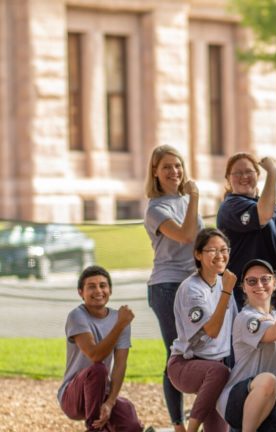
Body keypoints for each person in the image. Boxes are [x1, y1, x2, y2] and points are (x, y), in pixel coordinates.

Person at [143, 144, 203, 431]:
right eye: (166, 166)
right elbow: (186, 235)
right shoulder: (156, 208)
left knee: (204, 350)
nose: (174, 171)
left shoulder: (185, 200)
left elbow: (200, 242)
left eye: (178, 165)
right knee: (176, 352)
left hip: (194, 284)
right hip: (167, 285)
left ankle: (202, 417)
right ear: (155, 172)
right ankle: (178, 424)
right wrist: (193, 197)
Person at [217, 259, 276, 432]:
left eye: (265, 279)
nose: (259, 284)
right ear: (244, 287)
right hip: (238, 399)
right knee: (267, 380)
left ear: (274, 284)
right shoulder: (246, 318)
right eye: (252, 281)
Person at [167, 228, 238, 432]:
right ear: (198, 254)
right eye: (212, 250)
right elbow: (212, 330)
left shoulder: (221, 284)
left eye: (224, 249)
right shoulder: (192, 288)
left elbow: (235, 325)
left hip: (215, 370)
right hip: (185, 365)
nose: (220, 255)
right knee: (219, 371)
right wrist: (226, 290)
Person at [58, 266, 143, 432]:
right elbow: (95, 355)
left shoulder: (120, 319)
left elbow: (120, 365)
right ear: (80, 293)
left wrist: (110, 403)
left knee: (130, 422)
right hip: (73, 397)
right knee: (98, 369)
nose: (98, 290)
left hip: (101, 393)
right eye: (91, 286)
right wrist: (120, 324)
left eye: (103, 285)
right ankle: (94, 429)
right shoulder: (77, 316)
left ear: (110, 290)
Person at [217, 153, 276, 310]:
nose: (244, 176)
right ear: (228, 178)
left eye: (248, 172)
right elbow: (263, 215)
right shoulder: (231, 206)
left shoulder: (271, 206)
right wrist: (272, 172)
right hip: (247, 295)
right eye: (237, 173)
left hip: (272, 292)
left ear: (257, 175)